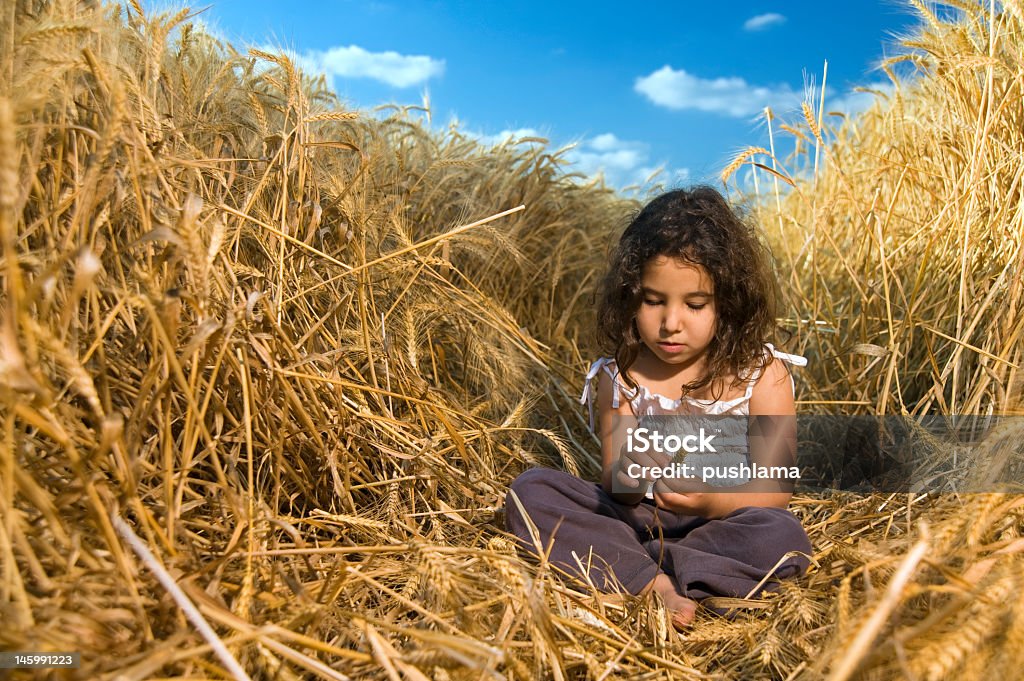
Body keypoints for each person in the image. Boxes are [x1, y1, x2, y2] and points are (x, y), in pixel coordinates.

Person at [505, 186, 812, 628]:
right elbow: (618, 486)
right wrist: (632, 468)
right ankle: (661, 583)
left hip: (724, 522)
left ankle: (656, 567)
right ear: (631, 296)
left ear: (727, 303)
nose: (671, 323)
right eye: (653, 301)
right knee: (532, 490)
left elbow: (775, 493)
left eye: (694, 304)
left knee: (782, 536)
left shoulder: (763, 374)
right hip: (634, 518)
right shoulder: (621, 376)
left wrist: (709, 501)